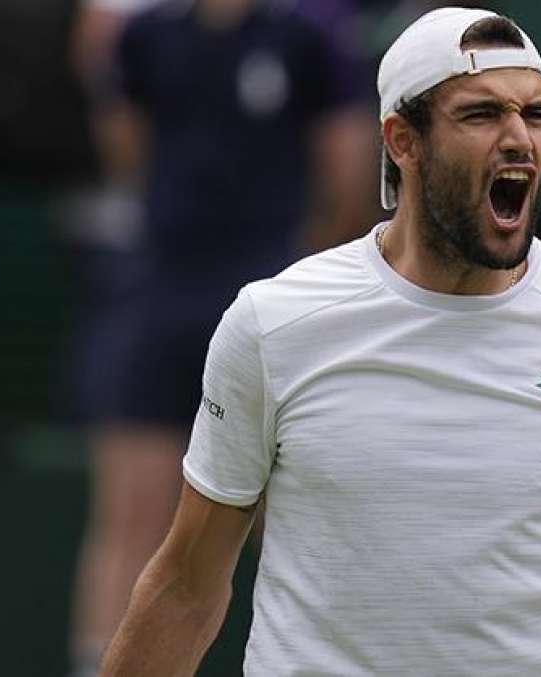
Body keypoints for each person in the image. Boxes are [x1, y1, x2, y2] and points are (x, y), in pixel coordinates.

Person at [100, 7, 541, 676]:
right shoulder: (274, 324)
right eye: (480, 115)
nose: (518, 140)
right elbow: (186, 590)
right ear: (402, 140)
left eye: (535, 116)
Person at [66, 0, 378, 674]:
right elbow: (126, 148)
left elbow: (346, 172)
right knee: (131, 513)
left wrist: (299, 281)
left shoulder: (311, 35)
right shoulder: (144, 36)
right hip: (161, 299)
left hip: (272, 306)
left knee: (297, 519)